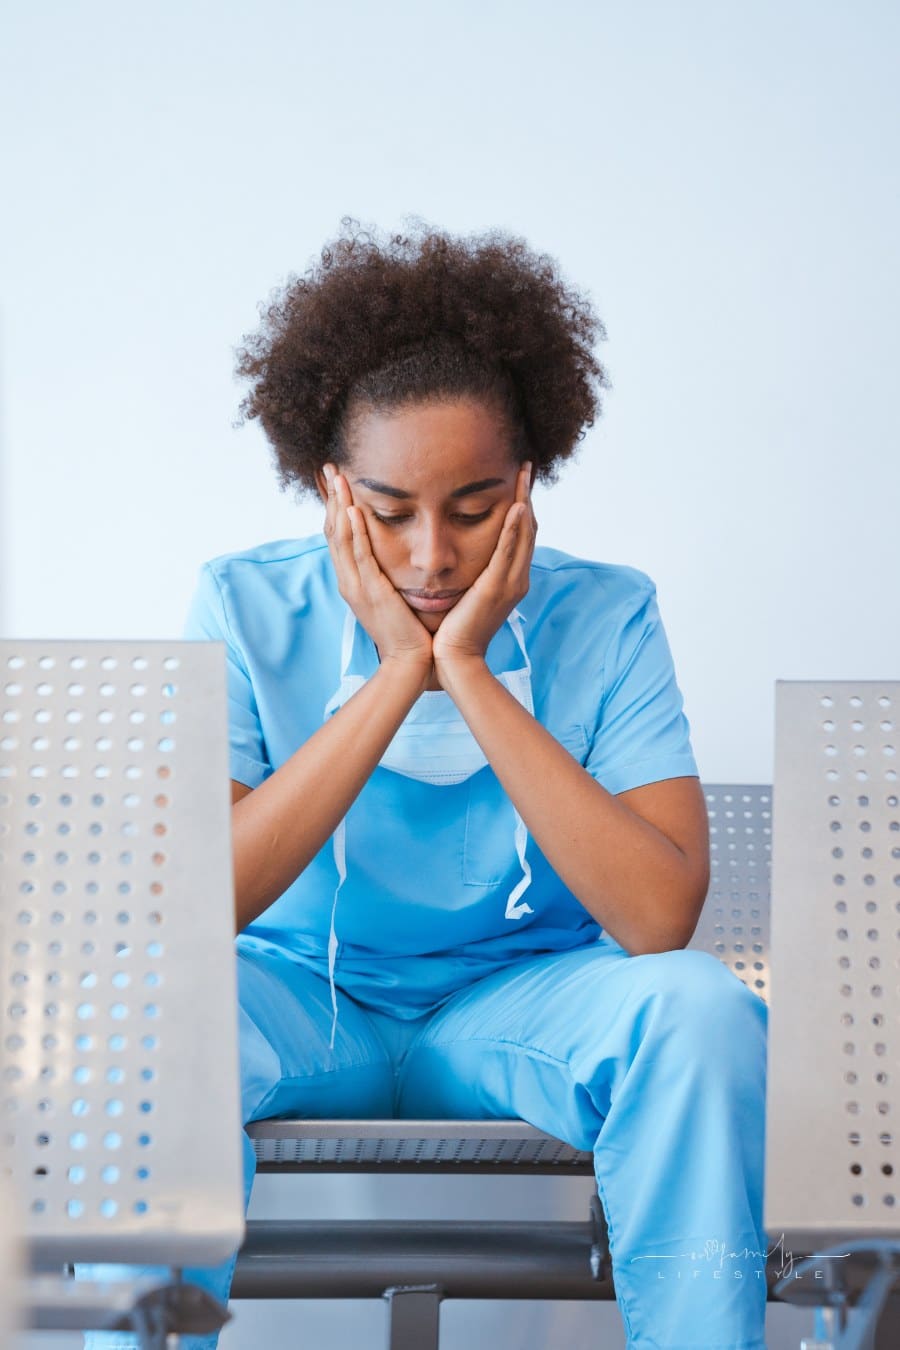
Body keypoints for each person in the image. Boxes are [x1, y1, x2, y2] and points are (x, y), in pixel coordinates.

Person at [82, 221, 768, 1349]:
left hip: (518, 1010)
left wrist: (470, 672)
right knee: (146, 1011)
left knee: (703, 1012)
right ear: (332, 487)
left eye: (475, 507)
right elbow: (195, 912)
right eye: (391, 512)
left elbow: (657, 919)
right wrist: (399, 672)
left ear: (529, 485)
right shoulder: (244, 605)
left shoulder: (609, 612)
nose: (431, 560)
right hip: (302, 1003)